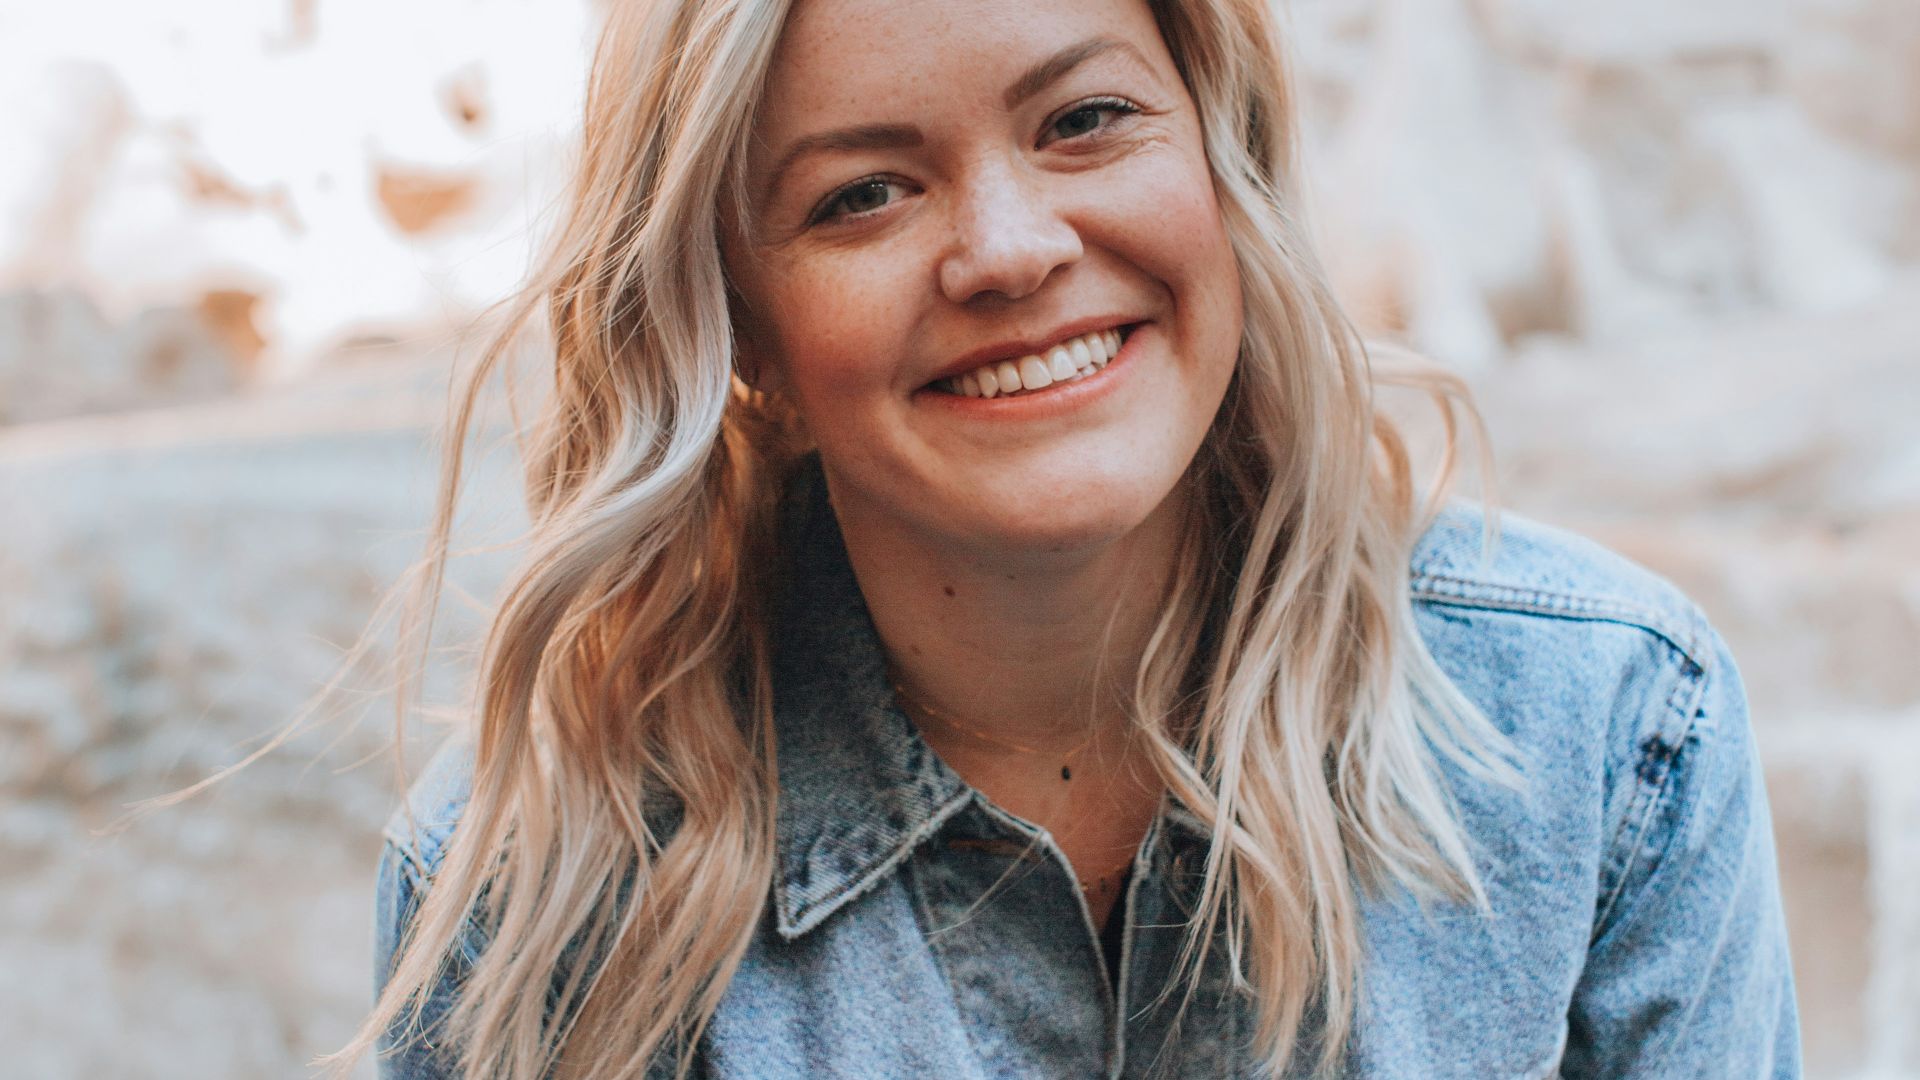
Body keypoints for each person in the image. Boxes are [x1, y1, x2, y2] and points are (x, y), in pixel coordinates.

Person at [334, 0, 1801, 1076]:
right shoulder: (543, 894)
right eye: (862, 195)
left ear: (1222, 158)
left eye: (1084, 120)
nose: (1012, 248)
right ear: (741, 334)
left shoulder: (1607, 726)